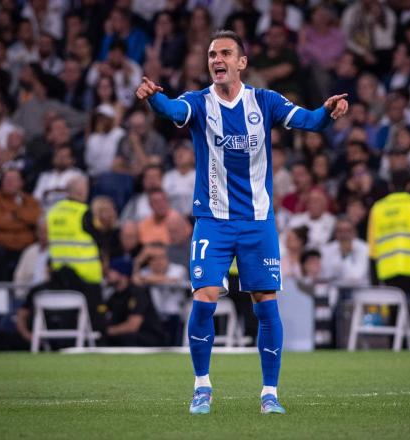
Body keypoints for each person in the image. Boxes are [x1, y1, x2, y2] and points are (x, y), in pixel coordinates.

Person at [136, 30, 349, 415]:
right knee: (204, 300)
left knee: (266, 306)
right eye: (212, 54)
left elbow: (310, 121)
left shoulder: (264, 101)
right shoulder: (199, 102)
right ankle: (202, 387)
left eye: (225, 53)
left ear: (242, 63)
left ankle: (270, 393)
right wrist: (154, 98)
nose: (216, 60)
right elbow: (172, 112)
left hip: (258, 222)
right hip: (212, 221)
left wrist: (328, 112)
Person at [367, 170, 410, 348]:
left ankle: (395, 347)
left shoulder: (378, 208)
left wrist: (374, 279)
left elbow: (372, 249)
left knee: (394, 313)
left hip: (387, 270)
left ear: (391, 187)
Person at [46, 175, 106, 337]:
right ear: (81, 190)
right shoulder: (84, 212)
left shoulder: (53, 212)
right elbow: (100, 238)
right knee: (94, 324)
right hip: (86, 277)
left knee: (67, 319)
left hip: (60, 274)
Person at [105, 257, 166, 347]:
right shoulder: (114, 296)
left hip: (149, 338)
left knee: (123, 338)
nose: (107, 274)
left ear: (122, 274)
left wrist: (105, 331)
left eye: (111, 271)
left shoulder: (138, 293)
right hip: (130, 337)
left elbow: (133, 326)